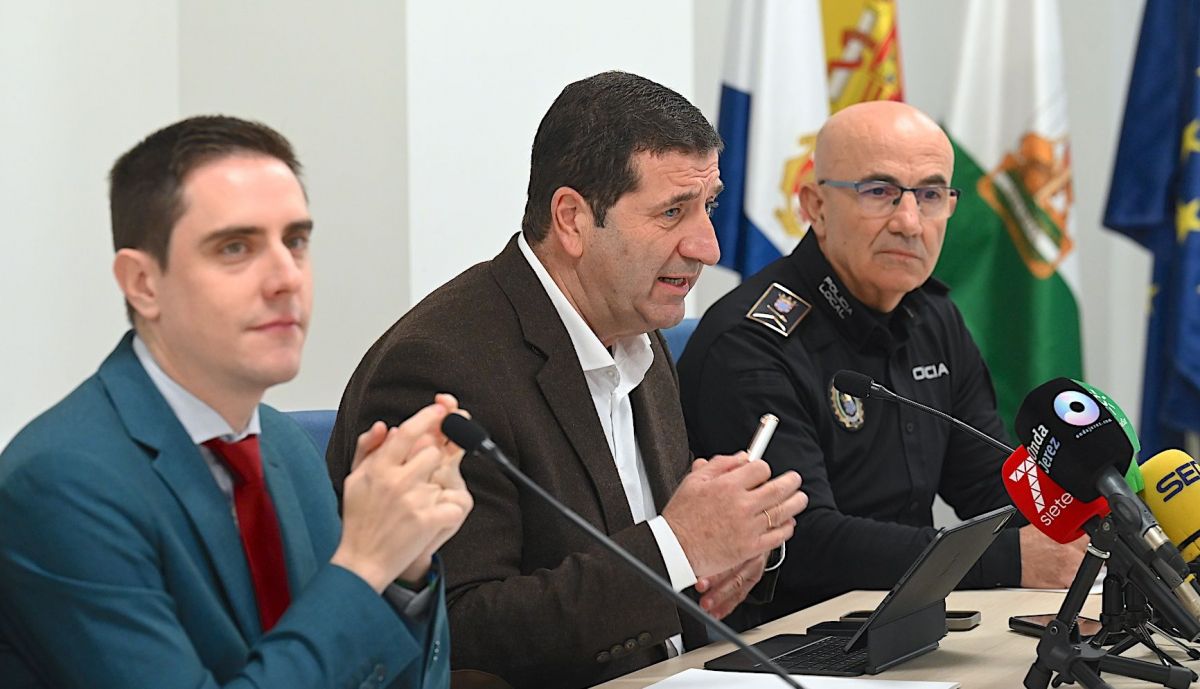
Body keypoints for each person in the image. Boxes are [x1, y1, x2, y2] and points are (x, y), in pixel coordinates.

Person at [326, 71, 809, 689]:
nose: (708, 246)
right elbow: (459, 630)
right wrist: (677, 551)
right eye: (672, 212)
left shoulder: (639, 335)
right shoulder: (439, 367)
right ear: (573, 219)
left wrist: (724, 558)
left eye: (708, 206)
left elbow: (652, 566)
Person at [0, 115, 472, 689]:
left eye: (295, 240)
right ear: (143, 284)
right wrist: (362, 565)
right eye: (235, 247)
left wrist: (404, 567)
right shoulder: (63, 483)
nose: (285, 277)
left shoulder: (285, 448)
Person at [677, 101, 1086, 625]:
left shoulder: (934, 317)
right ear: (815, 205)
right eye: (879, 192)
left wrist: (1093, 525)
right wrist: (1010, 559)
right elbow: (806, 541)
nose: (910, 222)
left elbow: (990, 486)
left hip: (907, 627)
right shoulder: (752, 342)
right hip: (789, 643)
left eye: (932, 195)